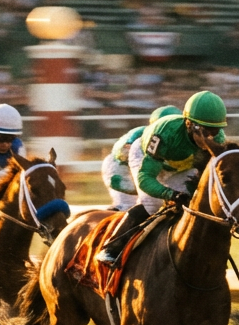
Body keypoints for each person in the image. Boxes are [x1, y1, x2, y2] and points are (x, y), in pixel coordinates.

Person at [96, 91, 227, 266]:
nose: (210, 137)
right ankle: (112, 247)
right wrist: (169, 193)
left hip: (178, 165)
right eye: (204, 130)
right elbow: (146, 178)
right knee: (153, 205)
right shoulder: (164, 134)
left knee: (193, 202)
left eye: (215, 130)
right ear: (188, 124)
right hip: (144, 158)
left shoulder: (218, 139)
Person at [103, 105, 180, 209]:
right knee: (134, 205)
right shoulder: (140, 133)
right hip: (119, 170)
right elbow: (128, 148)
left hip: (135, 168)